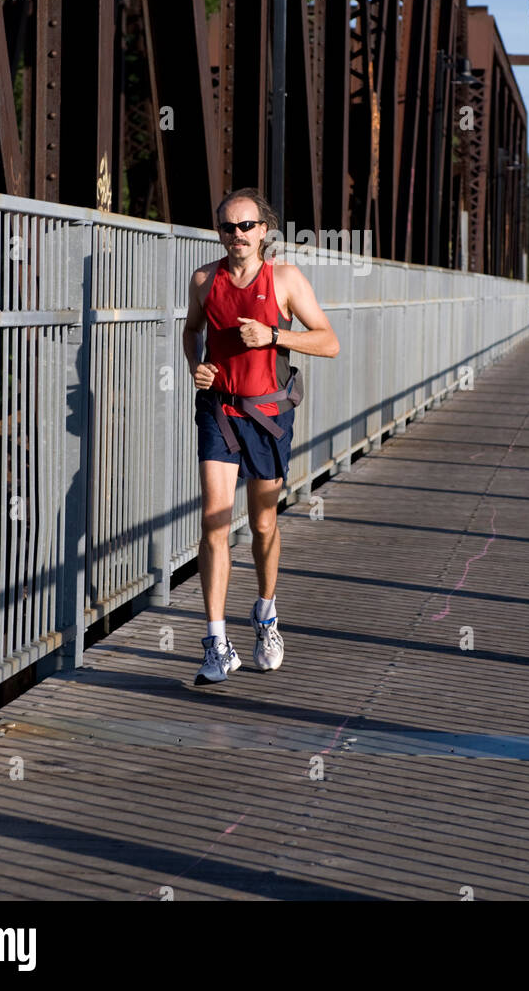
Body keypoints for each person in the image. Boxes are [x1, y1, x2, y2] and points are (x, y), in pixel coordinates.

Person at [183, 188, 340, 685]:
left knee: (264, 524)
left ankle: (266, 615)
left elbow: (329, 342)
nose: (238, 236)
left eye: (246, 226)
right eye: (228, 227)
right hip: (219, 411)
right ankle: (215, 640)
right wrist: (198, 366)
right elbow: (191, 331)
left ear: (264, 230)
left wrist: (275, 336)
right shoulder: (205, 280)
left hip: (268, 415)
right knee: (214, 521)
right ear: (219, 232)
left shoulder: (286, 279)